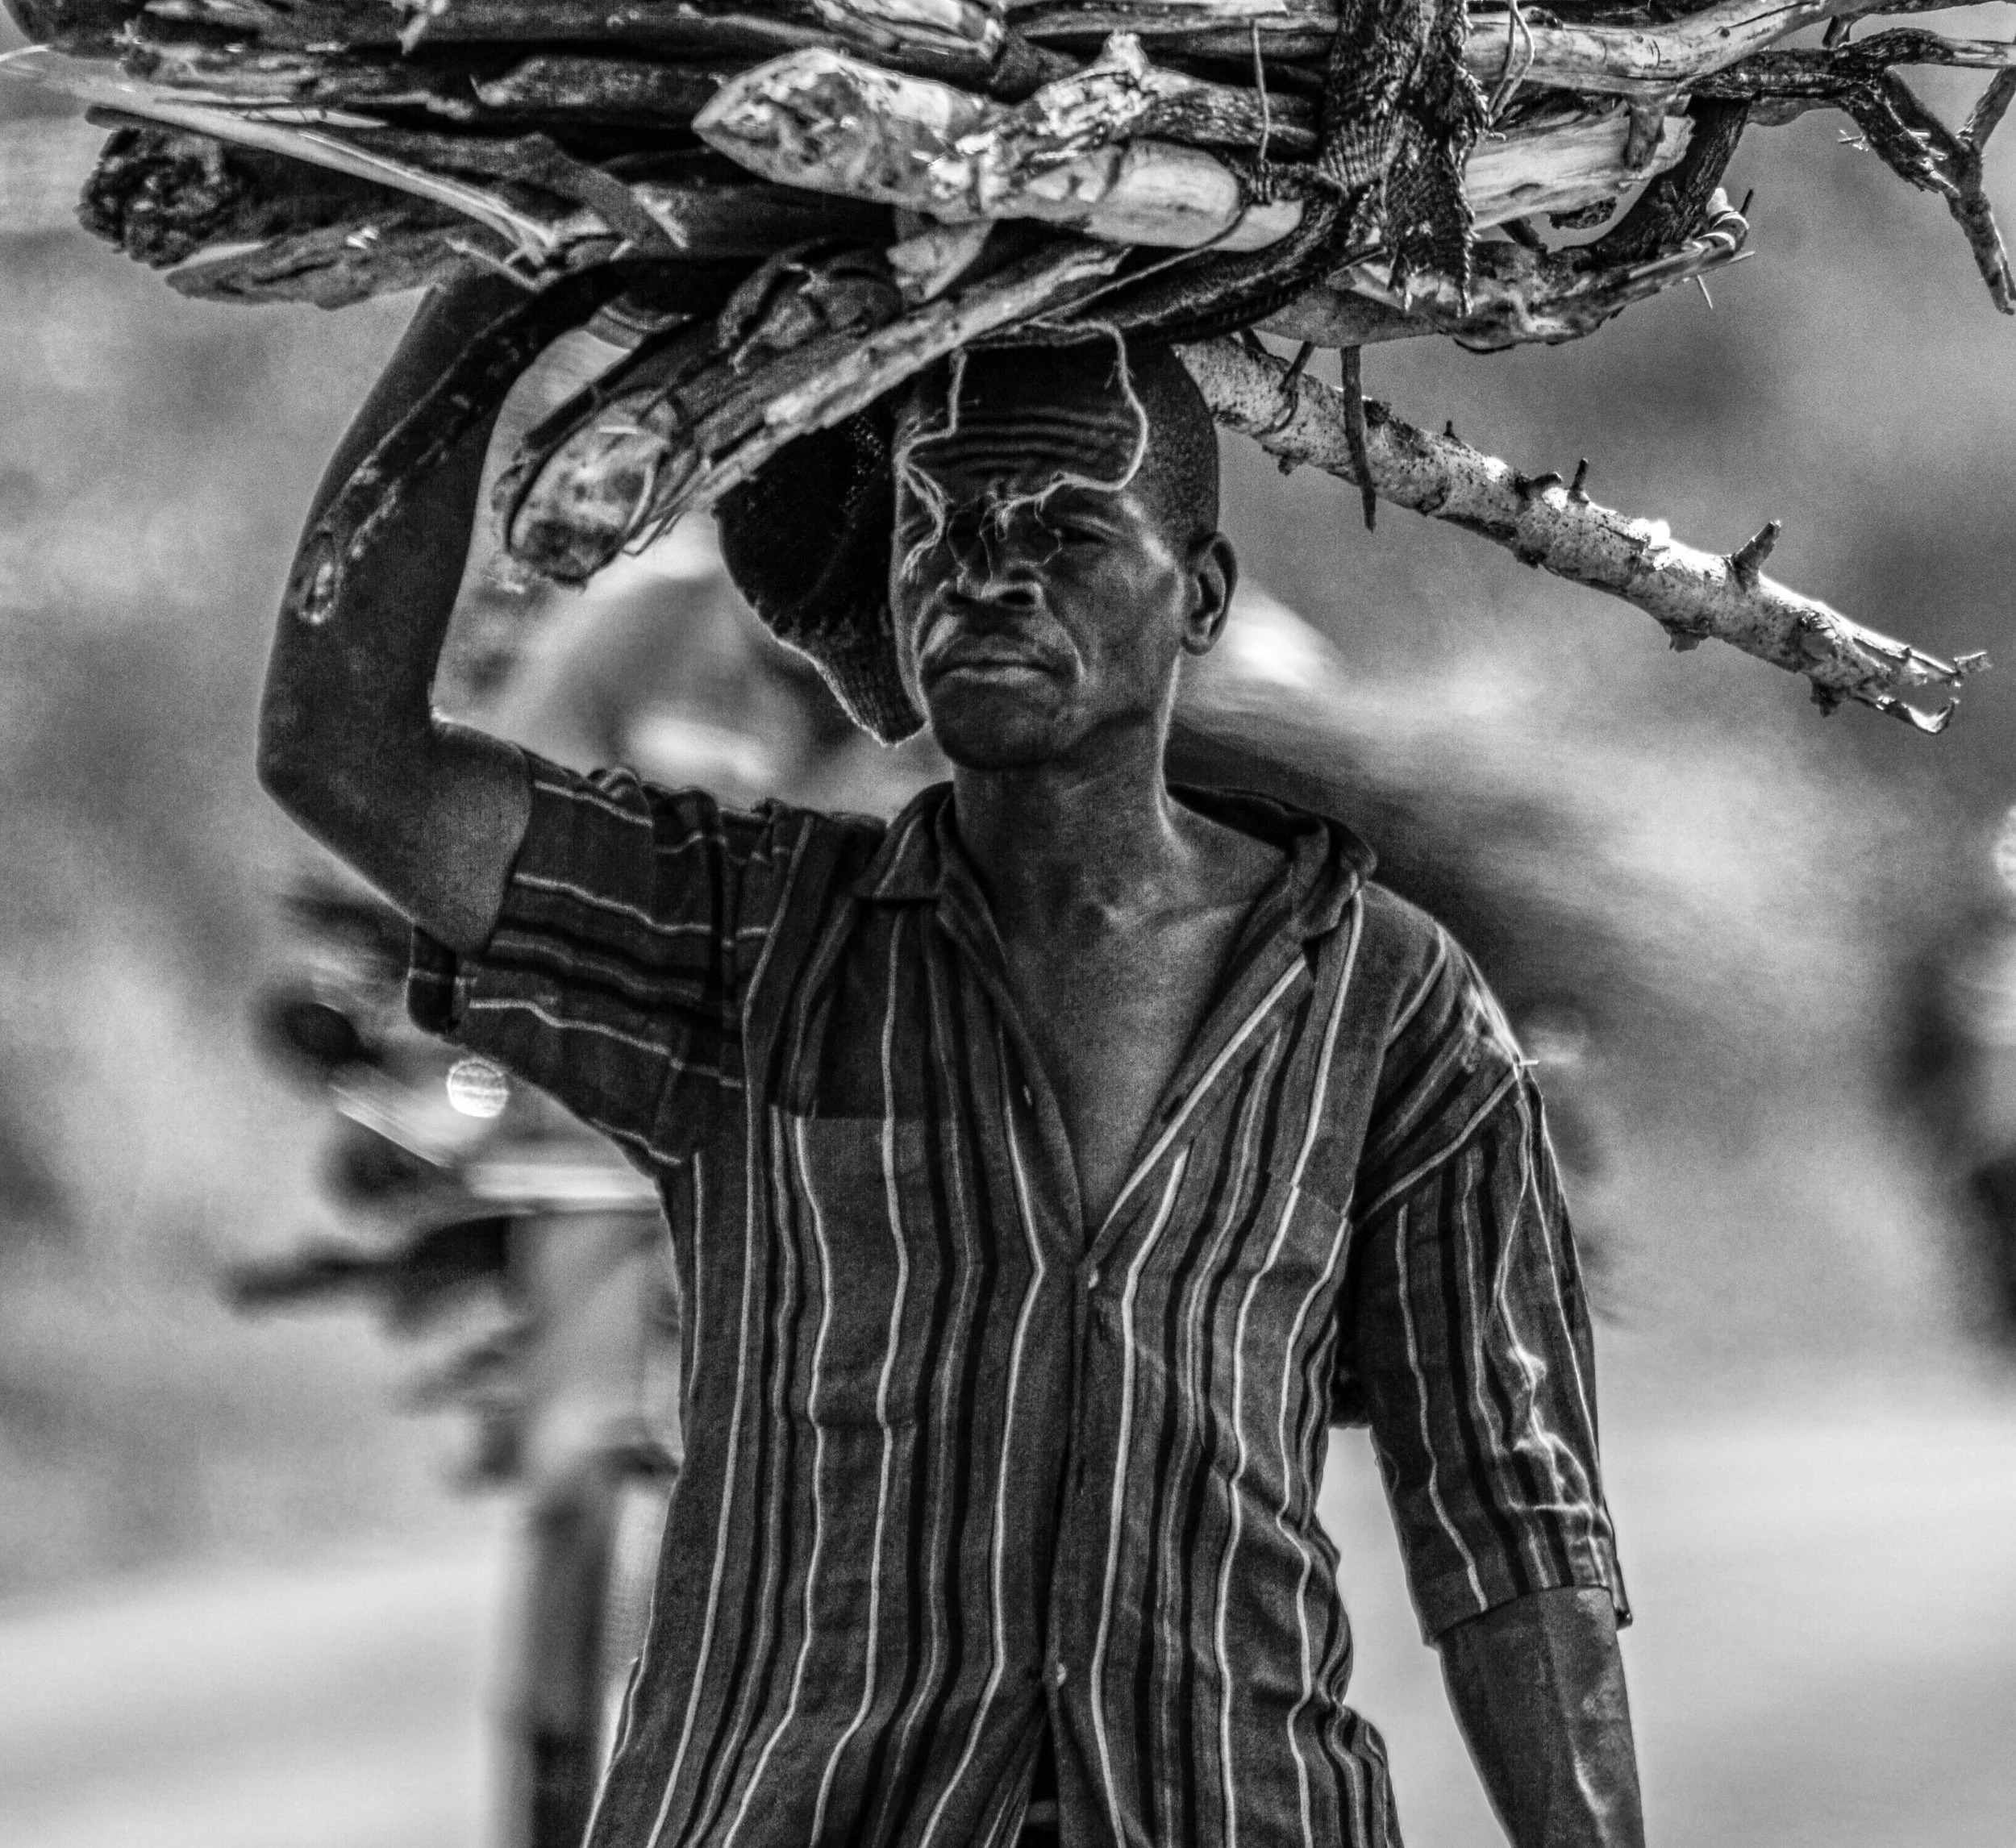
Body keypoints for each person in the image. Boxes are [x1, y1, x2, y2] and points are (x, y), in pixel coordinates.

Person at [260, 272, 1643, 1848]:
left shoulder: (1388, 1006)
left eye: (1058, 532)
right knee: (586, 1448)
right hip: (791, 1802)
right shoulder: (746, 937)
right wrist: (490, 311)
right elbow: (344, 758)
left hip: (1228, 1810)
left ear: (1194, 596)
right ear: (884, 591)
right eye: (937, 530)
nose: (987, 575)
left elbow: (1508, 1520)